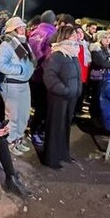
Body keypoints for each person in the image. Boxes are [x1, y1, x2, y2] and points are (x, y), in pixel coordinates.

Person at [42, 26, 83, 169]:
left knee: (65, 126)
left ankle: (62, 154)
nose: (76, 37)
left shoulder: (73, 53)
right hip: (59, 97)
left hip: (70, 97)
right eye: (72, 35)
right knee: (55, 127)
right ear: (65, 37)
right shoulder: (58, 54)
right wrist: (64, 90)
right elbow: (49, 77)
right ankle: (51, 159)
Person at [0, 17, 35, 156]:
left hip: (24, 84)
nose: (23, 29)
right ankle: (9, 142)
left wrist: (29, 71)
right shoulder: (7, 44)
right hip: (12, 85)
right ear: (12, 29)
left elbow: (28, 62)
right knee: (13, 116)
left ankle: (18, 138)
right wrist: (20, 70)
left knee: (24, 115)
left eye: (23, 27)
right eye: (19, 27)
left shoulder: (23, 43)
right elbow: (1, 65)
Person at [28, 10, 57, 146]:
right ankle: (35, 132)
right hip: (43, 74)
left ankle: (33, 129)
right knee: (43, 106)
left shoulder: (34, 32)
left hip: (32, 73)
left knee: (37, 104)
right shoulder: (52, 33)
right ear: (53, 20)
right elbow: (50, 56)